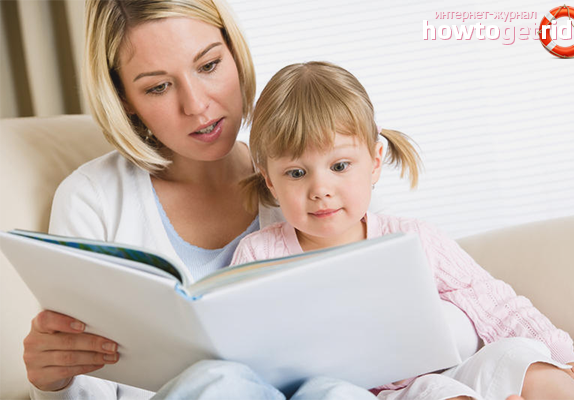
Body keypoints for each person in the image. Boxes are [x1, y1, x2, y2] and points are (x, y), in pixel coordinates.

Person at [22, 1, 379, 399]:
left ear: (235, 55)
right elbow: (87, 382)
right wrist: (55, 382)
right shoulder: (93, 200)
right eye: (158, 87)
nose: (196, 105)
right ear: (124, 100)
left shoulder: (313, 184)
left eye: (209, 65)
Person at [220, 61, 574, 400]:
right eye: (296, 173)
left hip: (447, 374)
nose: (320, 189)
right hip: (363, 393)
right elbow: (243, 349)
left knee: (522, 360)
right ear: (269, 180)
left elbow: (493, 302)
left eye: (339, 166)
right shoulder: (259, 255)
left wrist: (564, 357)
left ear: (374, 162)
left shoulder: (412, 238)